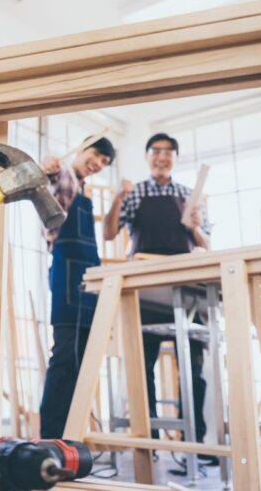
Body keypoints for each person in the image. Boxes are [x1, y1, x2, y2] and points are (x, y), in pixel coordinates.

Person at [103, 132, 212, 453]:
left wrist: (195, 226)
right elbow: (109, 234)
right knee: (142, 365)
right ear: (148, 157)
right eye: (156, 152)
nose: (162, 157)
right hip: (146, 288)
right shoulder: (134, 193)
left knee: (193, 368)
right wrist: (117, 199)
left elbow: (207, 244)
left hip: (188, 288)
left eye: (168, 152)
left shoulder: (190, 195)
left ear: (175, 159)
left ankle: (195, 443)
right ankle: (147, 439)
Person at [37, 135, 115, 439]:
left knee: (82, 359)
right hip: (67, 277)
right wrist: (47, 168)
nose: (97, 164)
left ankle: (71, 435)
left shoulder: (83, 189)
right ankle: (52, 437)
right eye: (95, 155)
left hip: (88, 279)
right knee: (66, 356)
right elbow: (45, 182)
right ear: (82, 148)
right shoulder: (63, 175)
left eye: (103, 163)